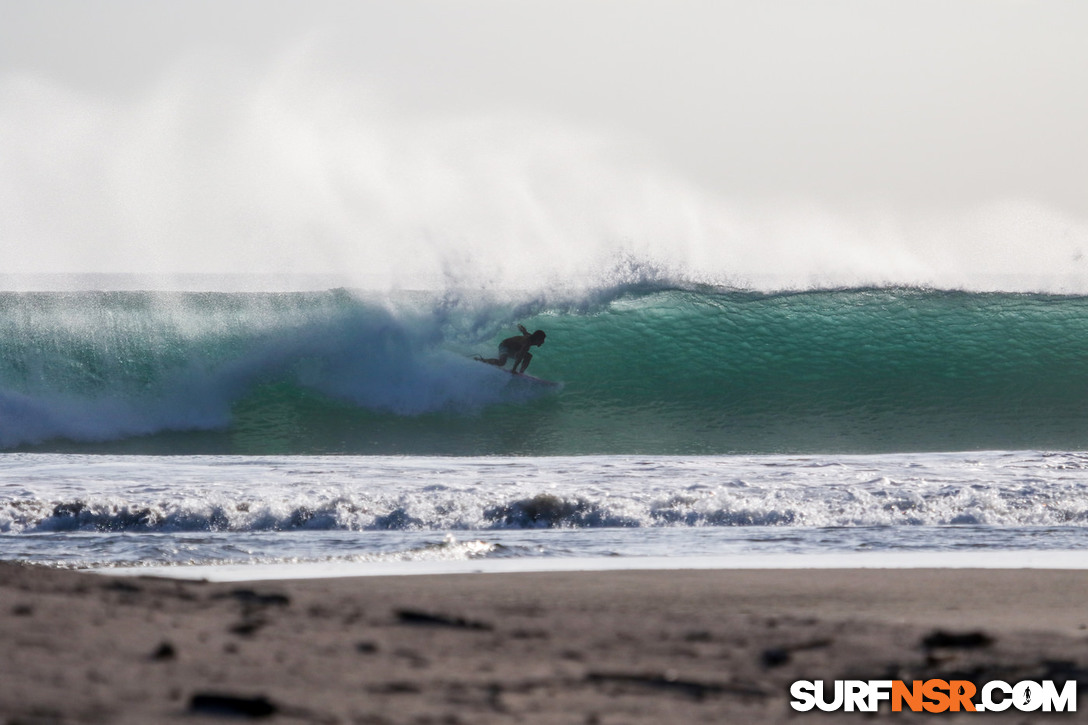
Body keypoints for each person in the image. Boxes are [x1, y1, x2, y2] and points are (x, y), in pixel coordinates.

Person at [477, 324, 546, 374]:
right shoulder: (526, 344)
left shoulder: (529, 336)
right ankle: (482, 360)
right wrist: (513, 370)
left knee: (528, 356)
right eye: (542, 340)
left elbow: (524, 331)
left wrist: (519, 326)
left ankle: (521, 372)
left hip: (512, 350)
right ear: (537, 339)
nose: (543, 341)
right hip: (504, 346)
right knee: (502, 362)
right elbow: (520, 358)